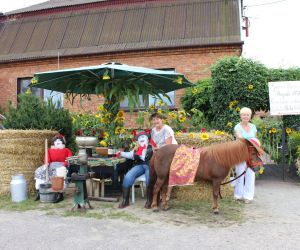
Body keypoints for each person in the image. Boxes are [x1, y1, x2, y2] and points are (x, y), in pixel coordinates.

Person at [118, 131, 153, 208]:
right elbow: (130, 155)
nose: (142, 139)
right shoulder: (136, 149)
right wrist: (121, 153)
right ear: (138, 140)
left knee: (149, 178)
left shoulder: (152, 148)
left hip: (149, 166)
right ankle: (125, 201)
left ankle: (150, 200)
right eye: (140, 138)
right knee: (128, 176)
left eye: (143, 137)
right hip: (140, 165)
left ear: (147, 139)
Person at [34, 134, 72, 203]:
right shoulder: (49, 150)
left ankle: (60, 194)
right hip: (50, 165)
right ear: (53, 142)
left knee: (60, 173)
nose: (57, 142)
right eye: (56, 141)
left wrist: (65, 164)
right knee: (39, 171)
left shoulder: (66, 150)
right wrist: (46, 164)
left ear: (62, 142)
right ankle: (39, 192)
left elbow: (69, 158)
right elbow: (47, 157)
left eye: (59, 140)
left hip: (61, 165)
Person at [150, 112, 178, 201]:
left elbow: (168, 146)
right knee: (160, 173)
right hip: (160, 152)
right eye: (154, 119)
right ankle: (161, 193)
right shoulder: (153, 130)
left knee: (170, 172)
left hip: (170, 152)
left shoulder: (167, 129)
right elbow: (153, 142)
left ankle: (168, 194)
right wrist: (154, 148)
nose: (156, 121)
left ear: (162, 120)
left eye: (157, 119)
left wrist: (158, 149)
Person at [233, 107, 257, 203]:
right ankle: (238, 195)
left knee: (250, 174)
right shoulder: (237, 127)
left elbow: (255, 140)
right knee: (240, 173)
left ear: (250, 116)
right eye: (244, 114)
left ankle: (248, 196)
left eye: (248, 115)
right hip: (240, 153)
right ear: (241, 116)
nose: (246, 116)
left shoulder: (253, 127)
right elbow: (240, 138)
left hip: (251, 153)